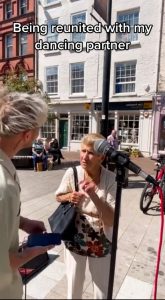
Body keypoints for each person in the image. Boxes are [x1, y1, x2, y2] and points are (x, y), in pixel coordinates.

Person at [0, 88, 54, 299]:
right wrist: (33, 252)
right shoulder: (4, 186)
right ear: (27, 134)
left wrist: (21, 222)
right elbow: (5, 262)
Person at [55, 133, 116, 299]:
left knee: (102, 288)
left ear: (101, 157)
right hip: (75, 236)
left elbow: (111, 219)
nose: (84, 156)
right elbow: (58, 196)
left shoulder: (111, 179)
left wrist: (94, 196)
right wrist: (69, 196)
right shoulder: (72, 173)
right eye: (83, 151)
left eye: (90, 153)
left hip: (101, 239)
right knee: (74, 285)